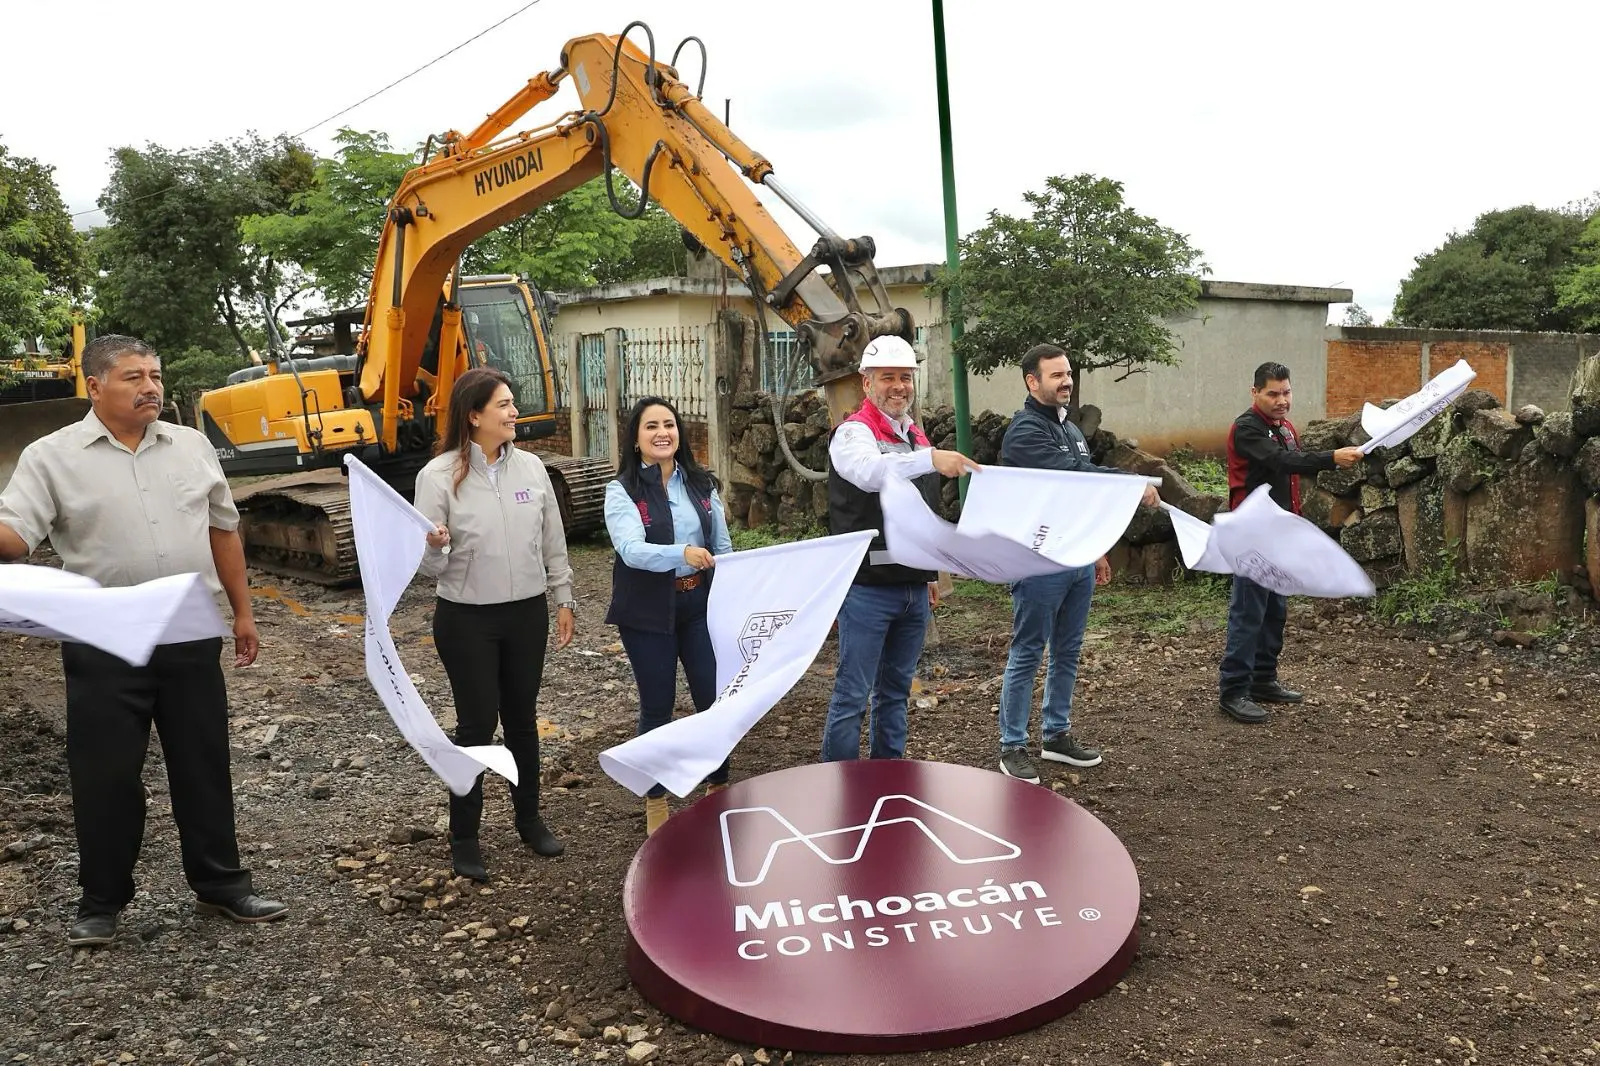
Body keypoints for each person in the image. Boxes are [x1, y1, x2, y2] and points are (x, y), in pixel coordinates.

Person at [0, 334, 286, 948]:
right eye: (133, 377)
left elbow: (223, 531)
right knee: (105, 773)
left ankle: (221, 885)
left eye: (155, 374)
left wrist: (243, 612)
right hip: (103, 632)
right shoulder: (51, 457)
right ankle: (101, 900)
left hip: (187, 628)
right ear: (95, 386)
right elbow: (17, 538)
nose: (151, 386)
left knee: (202, 762)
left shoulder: (191, 446)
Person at [414, 366, 573, 881]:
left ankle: (529, 819)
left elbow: (553, 542)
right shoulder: (436, 476)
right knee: (476, 727)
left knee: (523, 722)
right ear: (474, 414)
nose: (513, 412)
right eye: (503, 404)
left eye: (512, 403)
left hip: (526, 613)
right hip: (465, 619)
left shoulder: (532, 470)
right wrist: (434, 546)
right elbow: (427, 568)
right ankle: (465, 836)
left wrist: (563, 597)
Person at [995, 343, 1161, 783]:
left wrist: (1097, 549)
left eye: (1068, 373)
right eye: (1056, 375)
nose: (1066, 381)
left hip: (1078, 558)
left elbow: (1082, 501)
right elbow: (1074, 476)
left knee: (1068, 650)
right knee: (1028, 651)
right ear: (1033, 382)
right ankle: (1012, 745)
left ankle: (1056, 735)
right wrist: (1133, 482)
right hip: (1039, 560)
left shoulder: (1071, 430)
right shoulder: (1026, 432)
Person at [821, 335, 979, 763]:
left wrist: (929, 575)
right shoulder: (853, 433)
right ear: (866, 383)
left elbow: (921, 517)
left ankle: (887, 781)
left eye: (905, 378)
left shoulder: (915, 436)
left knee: (895, 694)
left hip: (912, 589)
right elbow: (871, 473)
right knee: (852, 695)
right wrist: (929, 460)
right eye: (887, 377)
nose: (898, 386)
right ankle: (836, 788)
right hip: (867, 589)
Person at [603, 396, 734, 837]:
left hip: (698, 605)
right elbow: (632, 550)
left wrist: (732, 581)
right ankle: (655, 799)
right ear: (636, 439)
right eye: (651, 426)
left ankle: (718, 788)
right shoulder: (622, 489)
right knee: (657, 706)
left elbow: (723, 546)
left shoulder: (700, 484)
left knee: (712, 703)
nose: (663, 433)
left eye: (670, 425)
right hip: (646, 611)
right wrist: (682, 553)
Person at [1219, 361, 1364, 724]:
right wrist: (1331, 458)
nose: (1282, 400)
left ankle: (1263, 679)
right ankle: (1234, 691)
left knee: (1274, 611)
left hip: (1280, 533)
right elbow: (1283, 462)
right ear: (1255, 393)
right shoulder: (1247, 428)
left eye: (1286, 392)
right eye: (1273, 394)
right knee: (1248, 613)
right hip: (1252, 535)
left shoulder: (1284, 428)